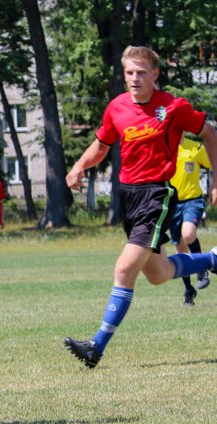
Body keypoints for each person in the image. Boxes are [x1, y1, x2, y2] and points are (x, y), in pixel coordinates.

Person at [64, 45, 217, 369]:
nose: (134, 78)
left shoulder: (173, 107)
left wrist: (216, 179)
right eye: (129, 72)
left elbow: (209, 133)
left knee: (124, 269)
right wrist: (78, 166)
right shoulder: (117, 107)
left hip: (156, 196)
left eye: (141, 73)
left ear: (155, 74)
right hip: (128, 197)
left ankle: (96, 346)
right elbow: (102, 145)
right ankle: (213, 260)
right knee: (159, 274)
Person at [169, 136, 212, 305]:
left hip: (192, 201)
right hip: (172, 204)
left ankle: (202, 268)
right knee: (181, 251)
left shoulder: (196, 148)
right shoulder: (164, 147)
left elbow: (213, 163)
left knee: (188, 234)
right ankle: (189, 290)